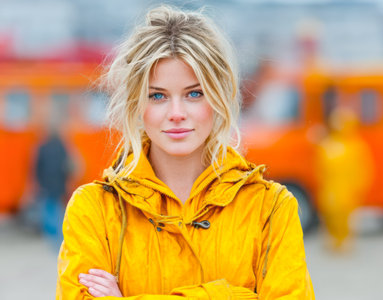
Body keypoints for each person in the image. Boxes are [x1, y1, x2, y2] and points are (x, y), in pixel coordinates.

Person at [56, 5, 314, 299]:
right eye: (158, 96)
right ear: (135, 104)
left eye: (194, 93)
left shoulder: (271, 209)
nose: (176, 113)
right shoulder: (94, 211)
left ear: (219, 96)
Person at [315, 107, 373, 252]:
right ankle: (333, 240)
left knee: (346, 217)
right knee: (330, 215)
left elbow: (364, 168)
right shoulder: (327, 144)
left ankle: (344, 241)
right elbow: (319, 168)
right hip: (331, 187)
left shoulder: (356, 146)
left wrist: (360, 186)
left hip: (347, 189)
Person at [35, 130, 72, 250]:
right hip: (59, 184)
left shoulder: (42, 148)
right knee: (57, 210)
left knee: (48, 210)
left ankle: (51, 237)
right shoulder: (62, 148)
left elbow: (37, 167)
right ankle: (59, 237)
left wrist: (39, 182)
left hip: (46, 184)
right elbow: (66, 167)